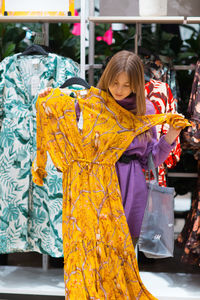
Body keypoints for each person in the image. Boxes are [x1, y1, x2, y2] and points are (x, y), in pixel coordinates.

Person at [36, 50, 189, 299]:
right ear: (106, 79)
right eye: (114, 82)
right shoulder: (90, 104)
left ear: (137, 85)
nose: (119, 90)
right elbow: (62, 126)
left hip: (131, 189)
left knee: (122, 257)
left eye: (127, 85)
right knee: (93, 256)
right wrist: (47, 100)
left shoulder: (145, 109)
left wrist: (170, 136)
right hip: (95, 188)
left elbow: (150, 160)